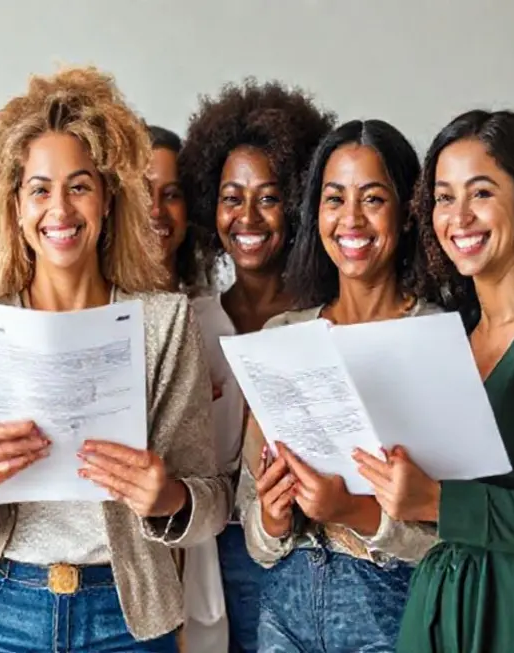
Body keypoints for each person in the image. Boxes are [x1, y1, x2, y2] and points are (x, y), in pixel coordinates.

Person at [0, 66, 230, 653]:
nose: (60, 209)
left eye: (79, 186)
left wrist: (166, 497)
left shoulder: (164, 323)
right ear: (16, 207)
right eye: (40, 189)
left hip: (126, 613)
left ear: (108, 198)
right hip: (2, 612)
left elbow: (212, 502)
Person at [240, 119, 440, 653]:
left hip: (391, 605)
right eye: (335, 199)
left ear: (407, 210)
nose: (350, 219)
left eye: (372, 198)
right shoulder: (280, 337)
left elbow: (451, 532)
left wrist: (353, 510)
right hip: (284, 607)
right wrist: (271, 518)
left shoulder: (436, 335)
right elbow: (252, 525)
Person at [352, 110, 514, 653]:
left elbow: (445, 501)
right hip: (439, 609)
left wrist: (442, 503)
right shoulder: (451, 338)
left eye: (481, 193)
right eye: (443, 197)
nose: (459, 217)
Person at [178, 79, 335, 653]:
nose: (247, 217)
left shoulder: (324, 322)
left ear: (296, 203)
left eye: (268, 198)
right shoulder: (190, 323)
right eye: (231, 197)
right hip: (205, 557)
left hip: (304, 554)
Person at [146, 124, 244, 653]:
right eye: (142, 192)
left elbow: (223, 470)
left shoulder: (211, 322)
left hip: (192, 555)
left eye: (172, 194)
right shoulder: (90, 313)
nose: (156, 210)